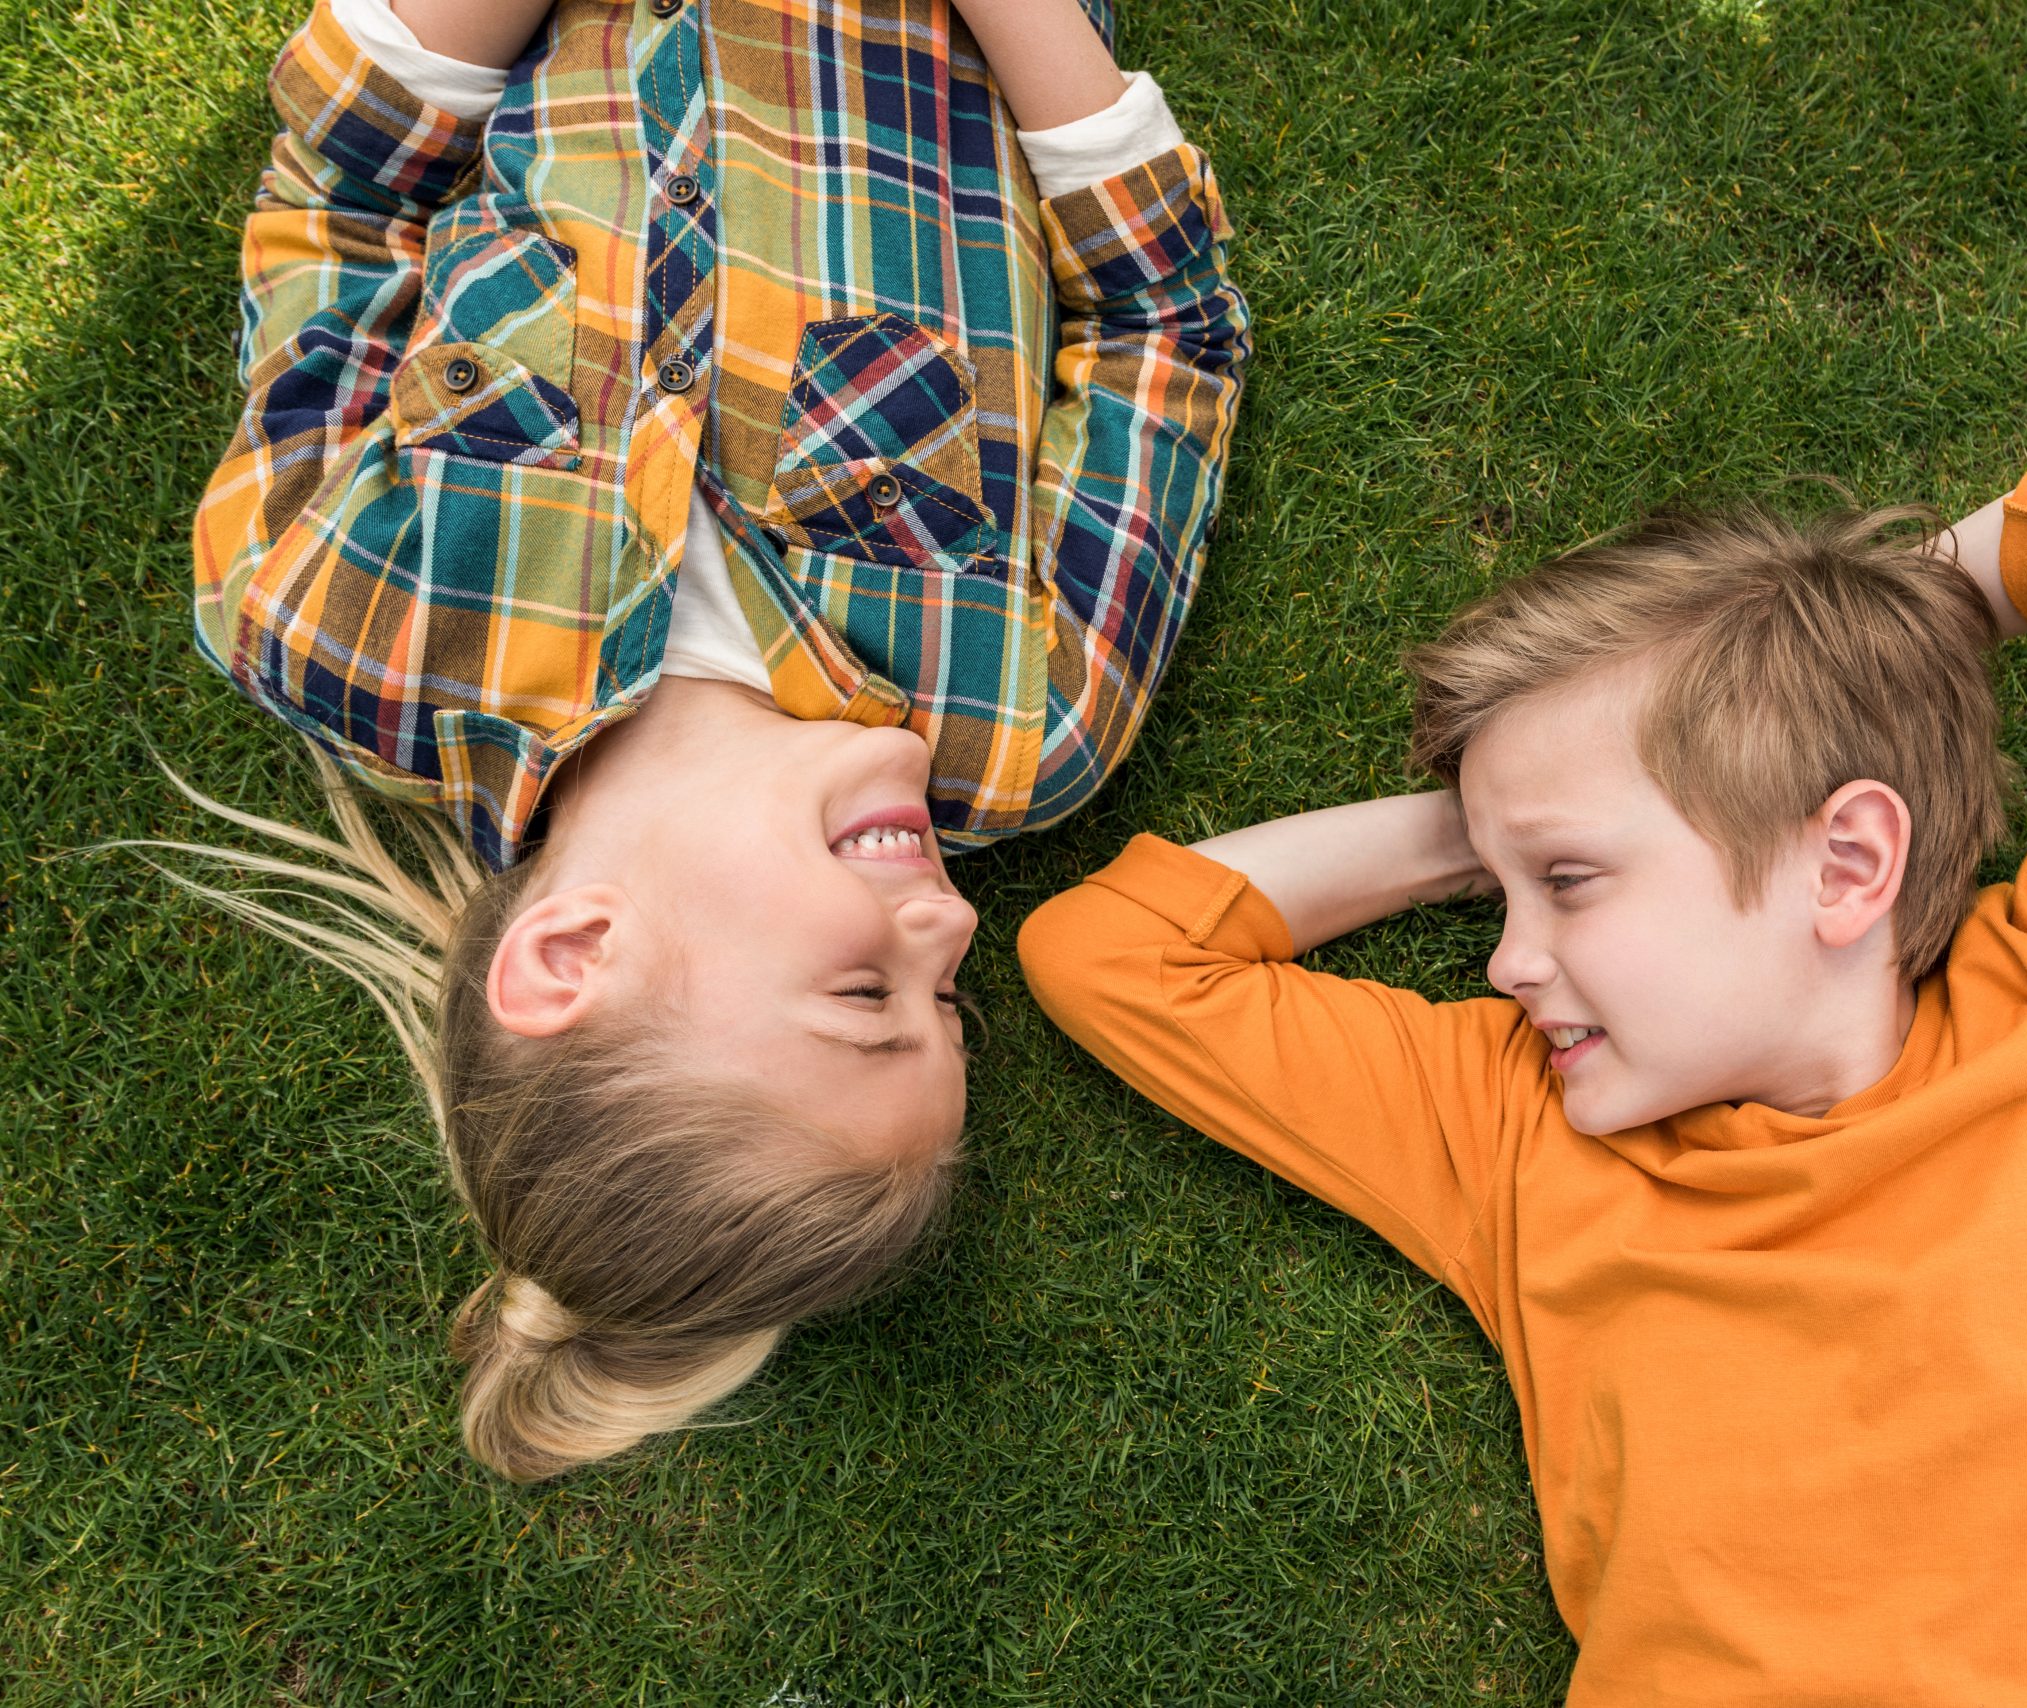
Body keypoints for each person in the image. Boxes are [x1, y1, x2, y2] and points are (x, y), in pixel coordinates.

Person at [1021, 382, 2027, 1702]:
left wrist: (1901, 623)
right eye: (1503, 893)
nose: (1506, 960)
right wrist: (1487, 827)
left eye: (1570, 882)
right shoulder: (1513, 1128)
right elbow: (1113, 960)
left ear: (1846, 864)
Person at [174, 0, 1247, 1481]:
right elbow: (1167, 336)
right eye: (954, 1003)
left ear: (574, 958)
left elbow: (341, 201)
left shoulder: (329, 622)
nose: (946, 924)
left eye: (870, 991)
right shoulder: (1017, 724)